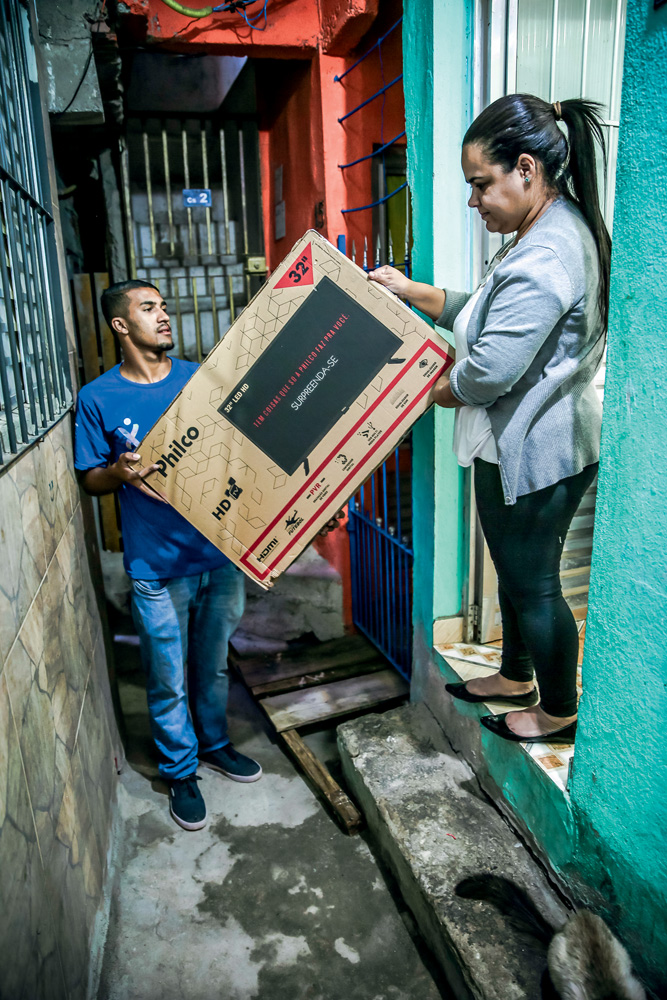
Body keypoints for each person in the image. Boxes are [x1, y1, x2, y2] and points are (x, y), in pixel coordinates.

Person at [369, 94, 610, 744]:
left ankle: (557, 712)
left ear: (525, 169)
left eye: (481, 184)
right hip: (524, 443)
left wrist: (420, 389)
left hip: (538, 452)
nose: (473, 201)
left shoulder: (545, 255)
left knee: (533, 584)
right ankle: (513, 676)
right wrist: (410, 292)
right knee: (515, 571)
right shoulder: (543, 229)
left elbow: (485, 373)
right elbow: (482, 314)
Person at [74, 280, 263, 831]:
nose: (164, 315)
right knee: (166, 677)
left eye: (164, 306)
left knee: (213, 665)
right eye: (148, 308)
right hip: (156, 566)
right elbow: (90, 479)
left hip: (217, 557)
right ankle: (180, 770)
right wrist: (118, 472)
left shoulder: (198, 380)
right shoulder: (98, 398)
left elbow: (237, 452)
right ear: (120, 325)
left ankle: (215, 743)